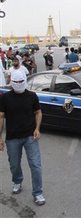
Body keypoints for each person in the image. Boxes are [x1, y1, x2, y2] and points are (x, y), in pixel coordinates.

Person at [0, 71, 46, 206]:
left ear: (25, 81)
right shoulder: (5, 98)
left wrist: (37, 128)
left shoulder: (32, 96)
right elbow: (1, 117)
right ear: (12, 82)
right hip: (12, 138)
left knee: (36, 165)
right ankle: (17, 181)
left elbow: (38, 112)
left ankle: (38, 192)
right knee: (14, 164)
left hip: (30, 136)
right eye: (16, 82)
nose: (19, 84)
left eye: (21, 82)